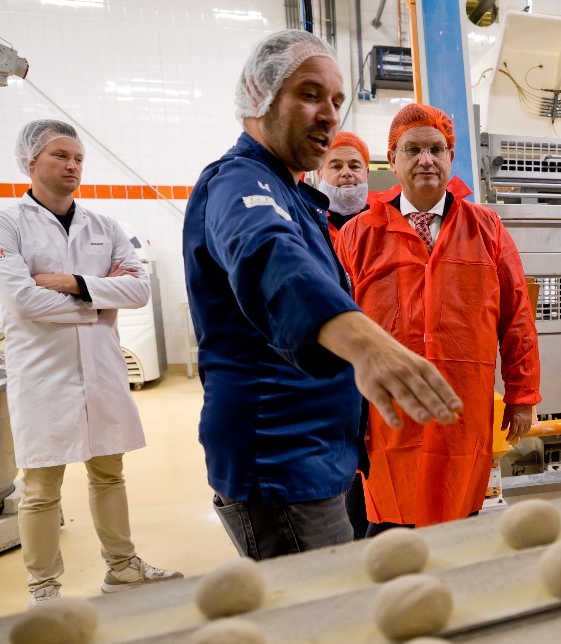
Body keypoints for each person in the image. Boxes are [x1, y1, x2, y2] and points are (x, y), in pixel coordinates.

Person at [184, 31, 462, 560]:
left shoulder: (293, 194)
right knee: (323, 619)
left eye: (336, 101)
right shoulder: (239, 184)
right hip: (279, 456)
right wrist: (368, 344)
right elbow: (270, 260)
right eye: (310, 95)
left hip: (320, 449)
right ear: (258, 95)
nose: (329, 115)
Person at [0, 119, 182, 606]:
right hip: (42, 376)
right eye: (60, 156)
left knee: (109, 473)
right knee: (41, 487)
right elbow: (23, 300)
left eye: (78, 159)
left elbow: (138, 289)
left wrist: (70, 282)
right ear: (31, 163)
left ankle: (123, 567)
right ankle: (43, 587)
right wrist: (99, 302)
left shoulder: (104, 226)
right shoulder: (2, 225)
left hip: (101, 370)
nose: (72, 166)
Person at [335, 104, 541, 528]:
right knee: (392, 530)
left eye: (437, 149)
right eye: (412, 149)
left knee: (459, 518)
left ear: (451, 157)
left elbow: (517, 315)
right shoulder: (359, 234)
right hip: (388, 409)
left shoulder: (487, 228)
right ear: (392, 160)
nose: (425, 159)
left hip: (462, 403)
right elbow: (338, 326)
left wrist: (523, 395)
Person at [313, 129, 381, 538]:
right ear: (318, 173)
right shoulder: (308, 226)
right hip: (330, 368)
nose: (347, 175)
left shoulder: (385, 223)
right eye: (335, 166)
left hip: (378, 364)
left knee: (372, 462)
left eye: (355, 165)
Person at [316, 130, 381, 233]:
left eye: (354, 166)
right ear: (320, 174)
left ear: (367, 173)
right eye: (336, 166)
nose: (346, 173)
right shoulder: (307, 219)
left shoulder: (384, 213)